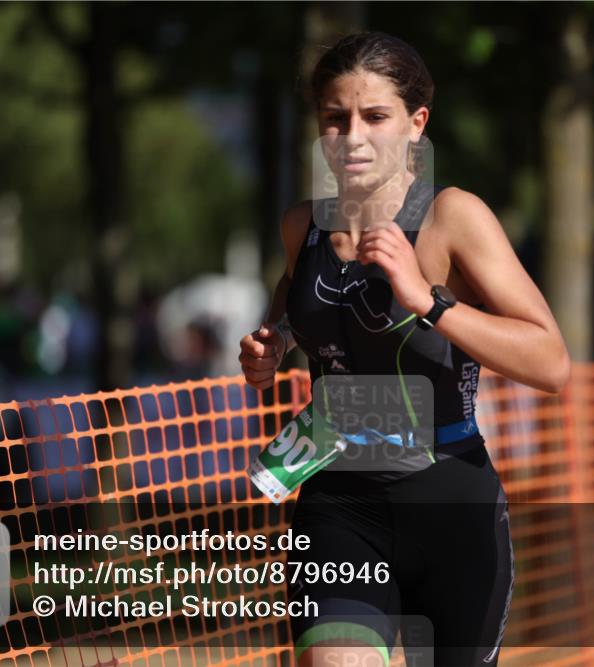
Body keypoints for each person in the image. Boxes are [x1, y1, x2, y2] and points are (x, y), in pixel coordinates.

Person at [239, 31, 570, 667]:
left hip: (451, 503)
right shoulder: (302, 225)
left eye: (376, 116)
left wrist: (429, 299)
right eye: (335, 118)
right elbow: (294, 305)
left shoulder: (452, 217)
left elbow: (551, 362)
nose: (353, 137)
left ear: (416, 124)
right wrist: (273, 343)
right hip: (341, 500)